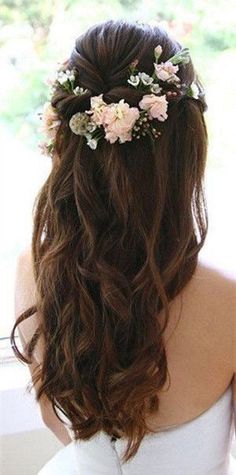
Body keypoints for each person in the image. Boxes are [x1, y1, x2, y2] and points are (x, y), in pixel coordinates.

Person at [11, 19, 236, 474]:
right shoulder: (226, 301)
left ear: (66, 139)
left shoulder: (35, 269)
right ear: (187, 150)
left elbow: (56, 422)